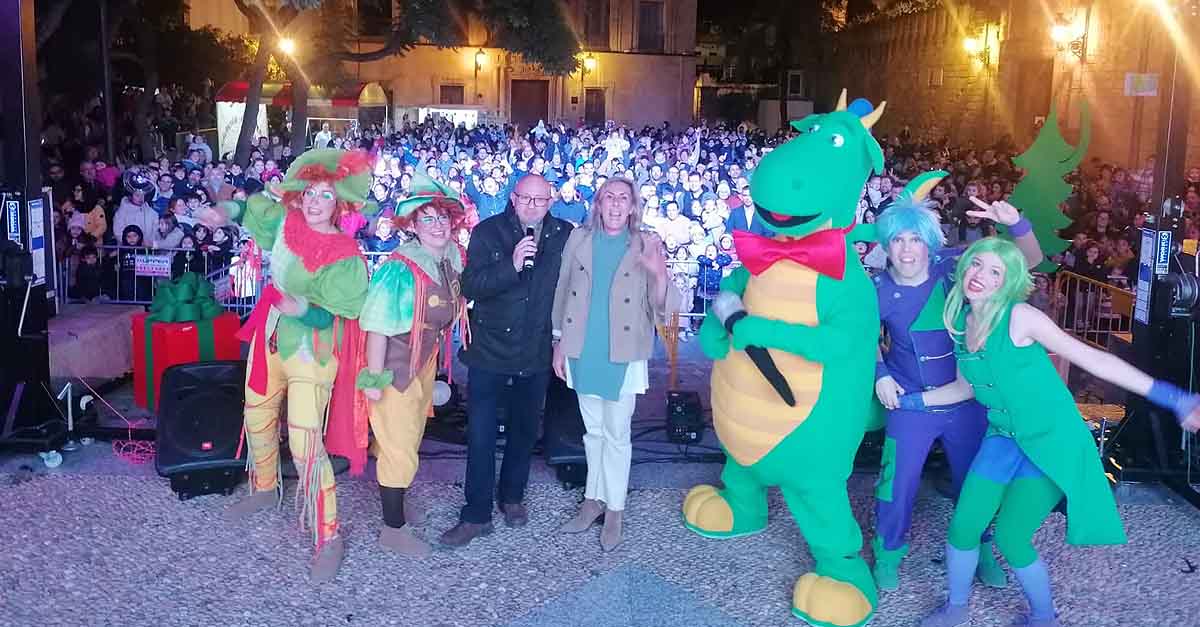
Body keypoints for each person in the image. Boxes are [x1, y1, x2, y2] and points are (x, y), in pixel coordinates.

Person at [919, 237, 1200, 627]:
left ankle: (1044, 617)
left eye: (995, 271)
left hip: (1051, 444)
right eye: (976, 264)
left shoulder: (1019, 317)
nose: (980, 275)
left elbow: (1092, 359)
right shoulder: (963, 325)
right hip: (1001, 440)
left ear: (1009, 281)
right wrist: (913, 402)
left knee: (1012, 540)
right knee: (964, 526)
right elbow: (965, 388)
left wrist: (1173, 397)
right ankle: (956, 607)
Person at [205, 149, 373, 583]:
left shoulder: (345, 254)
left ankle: (329, 534)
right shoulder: (286, 222)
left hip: (312, 353)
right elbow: (248, 208)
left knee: (304, 442)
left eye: (326, 196)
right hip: (269, 337)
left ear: (340, 205)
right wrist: (222, 212)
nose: (315, 202)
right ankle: (264, 488)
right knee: (257, 415)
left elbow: (346, 310)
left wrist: (305, 309)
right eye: (311, 193)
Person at [871, 185, 1045, 591]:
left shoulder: (953, 267)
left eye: (916, 238)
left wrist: (1016, 223)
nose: (908, 249)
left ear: (929, 241)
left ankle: (981, 548)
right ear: (887, 244)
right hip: (910, 403)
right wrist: (880, 373)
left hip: (968, 401)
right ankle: (888, 553)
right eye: (898, 239)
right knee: (897, 483)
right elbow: (861, 341)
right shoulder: (876, 290)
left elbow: (1030, 261)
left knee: (977, 481)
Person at [439, 174, 573, 547]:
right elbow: (471, 286)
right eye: (525, 199)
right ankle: (476, 513)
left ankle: (512, 497)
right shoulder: (488, 232)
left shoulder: (565, 235)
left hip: (535, 351)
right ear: (513, 198)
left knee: (525, 431)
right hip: (490, 351)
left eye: (540, 200)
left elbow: (573, 290)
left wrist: (563, 339)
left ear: (551, 201)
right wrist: (511, 266)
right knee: (481, 435)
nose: (532, 207)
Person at [551, 179, 680, 551]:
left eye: (623, 198)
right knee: (592, 432)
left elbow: (665, 307)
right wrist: (558, 342)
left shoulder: (646, 244)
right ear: (599, 203)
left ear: (633, 206)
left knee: (617, 435)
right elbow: (562, 290)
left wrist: (659, 273)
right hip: (582, 348)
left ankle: (616, 510)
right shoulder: (579, 239)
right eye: (609, 197)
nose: (616, 204)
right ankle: (592, 501)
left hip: (622, 352)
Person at [359, 177, 469, 557]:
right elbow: (376, 325)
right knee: (400, 446)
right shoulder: (400, 268)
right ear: (413, 227)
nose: (437, 225)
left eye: (442, 217)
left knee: (406, 439)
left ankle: (397, 502)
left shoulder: (449, 257)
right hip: (394, 367)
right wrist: (373, 379)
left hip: (423, 363)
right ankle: (393, 529)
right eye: (427, 220)